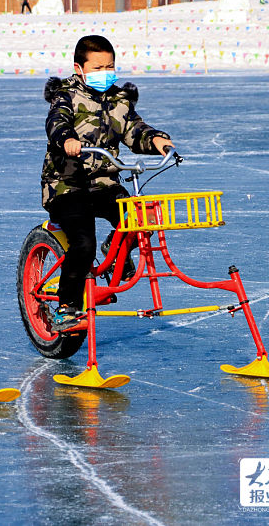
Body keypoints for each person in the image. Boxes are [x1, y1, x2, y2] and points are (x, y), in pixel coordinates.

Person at [40, 35, 173, 329]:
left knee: (142, 222)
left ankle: (113, 252)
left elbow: (133, 130)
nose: (105, 73)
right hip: (66, 183)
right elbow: (56, 122)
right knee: (83, 242)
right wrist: (68, 140)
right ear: (79, 68)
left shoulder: (118, 99)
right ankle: (66, 307)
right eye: (98, 67)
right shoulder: (66, 96)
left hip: (104, 182)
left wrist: (155, 139)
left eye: (110, 67)